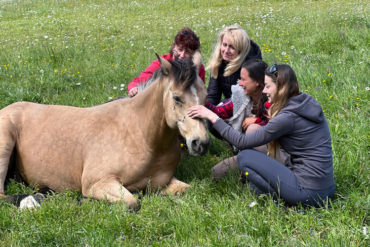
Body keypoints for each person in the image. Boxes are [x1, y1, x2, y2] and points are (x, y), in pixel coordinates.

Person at [188, 64, 335, 207]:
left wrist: (212, 116)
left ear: (282, 88)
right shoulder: (304, 103)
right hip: (326, 188)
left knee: (245, 157)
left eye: (268, 86)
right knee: (252, 175)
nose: (264, 91)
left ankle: (283, 200)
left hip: (308, 192)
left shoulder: (288, 117)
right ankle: (274, 191)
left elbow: (241, 142)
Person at [205, 59, 271, 180]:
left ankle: (258, 175)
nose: (240, 83)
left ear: (257, 82)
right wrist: (203, 102)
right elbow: (220, 111)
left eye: (244, 79)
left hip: (271, 153)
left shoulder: (271, 99)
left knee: (253, 129)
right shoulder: (241, 95)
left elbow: (275, 126)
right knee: (215, 173)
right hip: (246, 150)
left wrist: (258, 121)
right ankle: (247, 170)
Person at [127, 27, 206, 97]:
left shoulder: (198, 68)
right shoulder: (163, 62)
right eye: (180, 49)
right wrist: (134, 87)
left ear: (193, 53)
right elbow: (142, 78)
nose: (182, 55)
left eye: (188, 52)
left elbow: (198, 92)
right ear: (174, 46)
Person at [206, 24, 262, 106]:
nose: (226, 50)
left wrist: (222, 105)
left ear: (241, 50)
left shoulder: (251, 67)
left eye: (232, 47)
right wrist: (208, 109)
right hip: (228, 105)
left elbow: (245, 97)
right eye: (224, 45)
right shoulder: (218, 62)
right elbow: (213, 95)